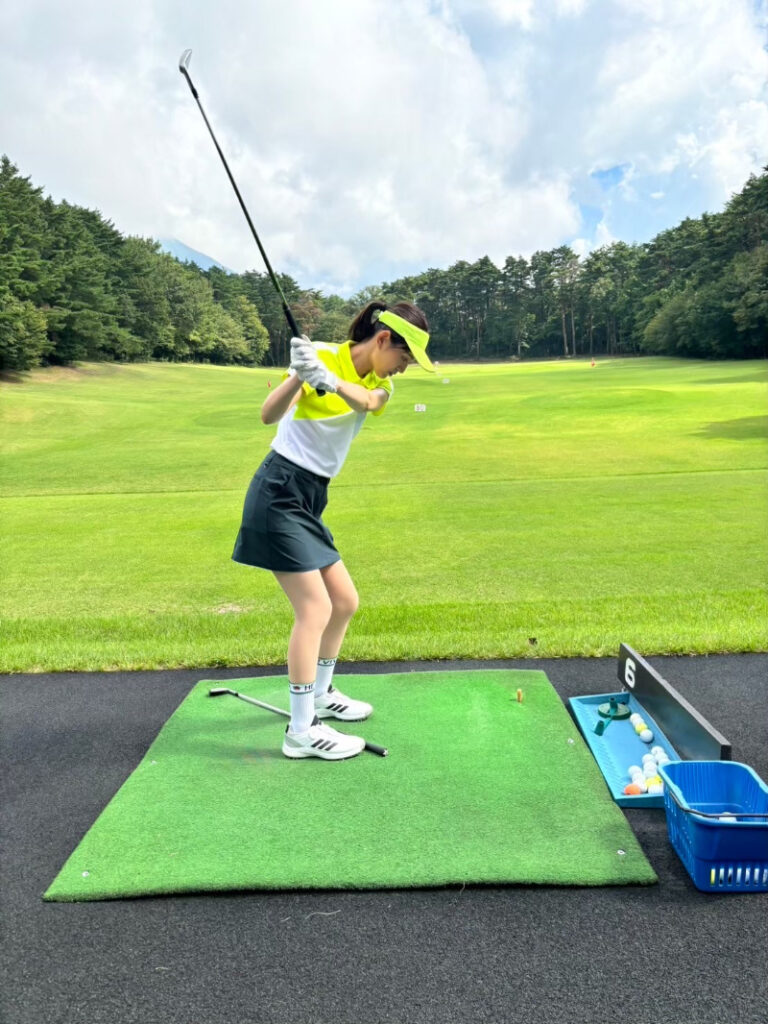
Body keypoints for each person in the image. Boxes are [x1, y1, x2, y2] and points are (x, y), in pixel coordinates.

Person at [232, 300, 434, 760]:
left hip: (310, 497)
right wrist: (300, 376)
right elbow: (268, 415)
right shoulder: (320, 355)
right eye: (404, 358)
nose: (403, 369)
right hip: (279, 489)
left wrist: (331, 381)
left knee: (344, 601)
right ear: (383, 339)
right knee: (315, 608)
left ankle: (321, 694)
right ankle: (301, 731)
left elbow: (366, 401)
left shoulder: (380, 386)